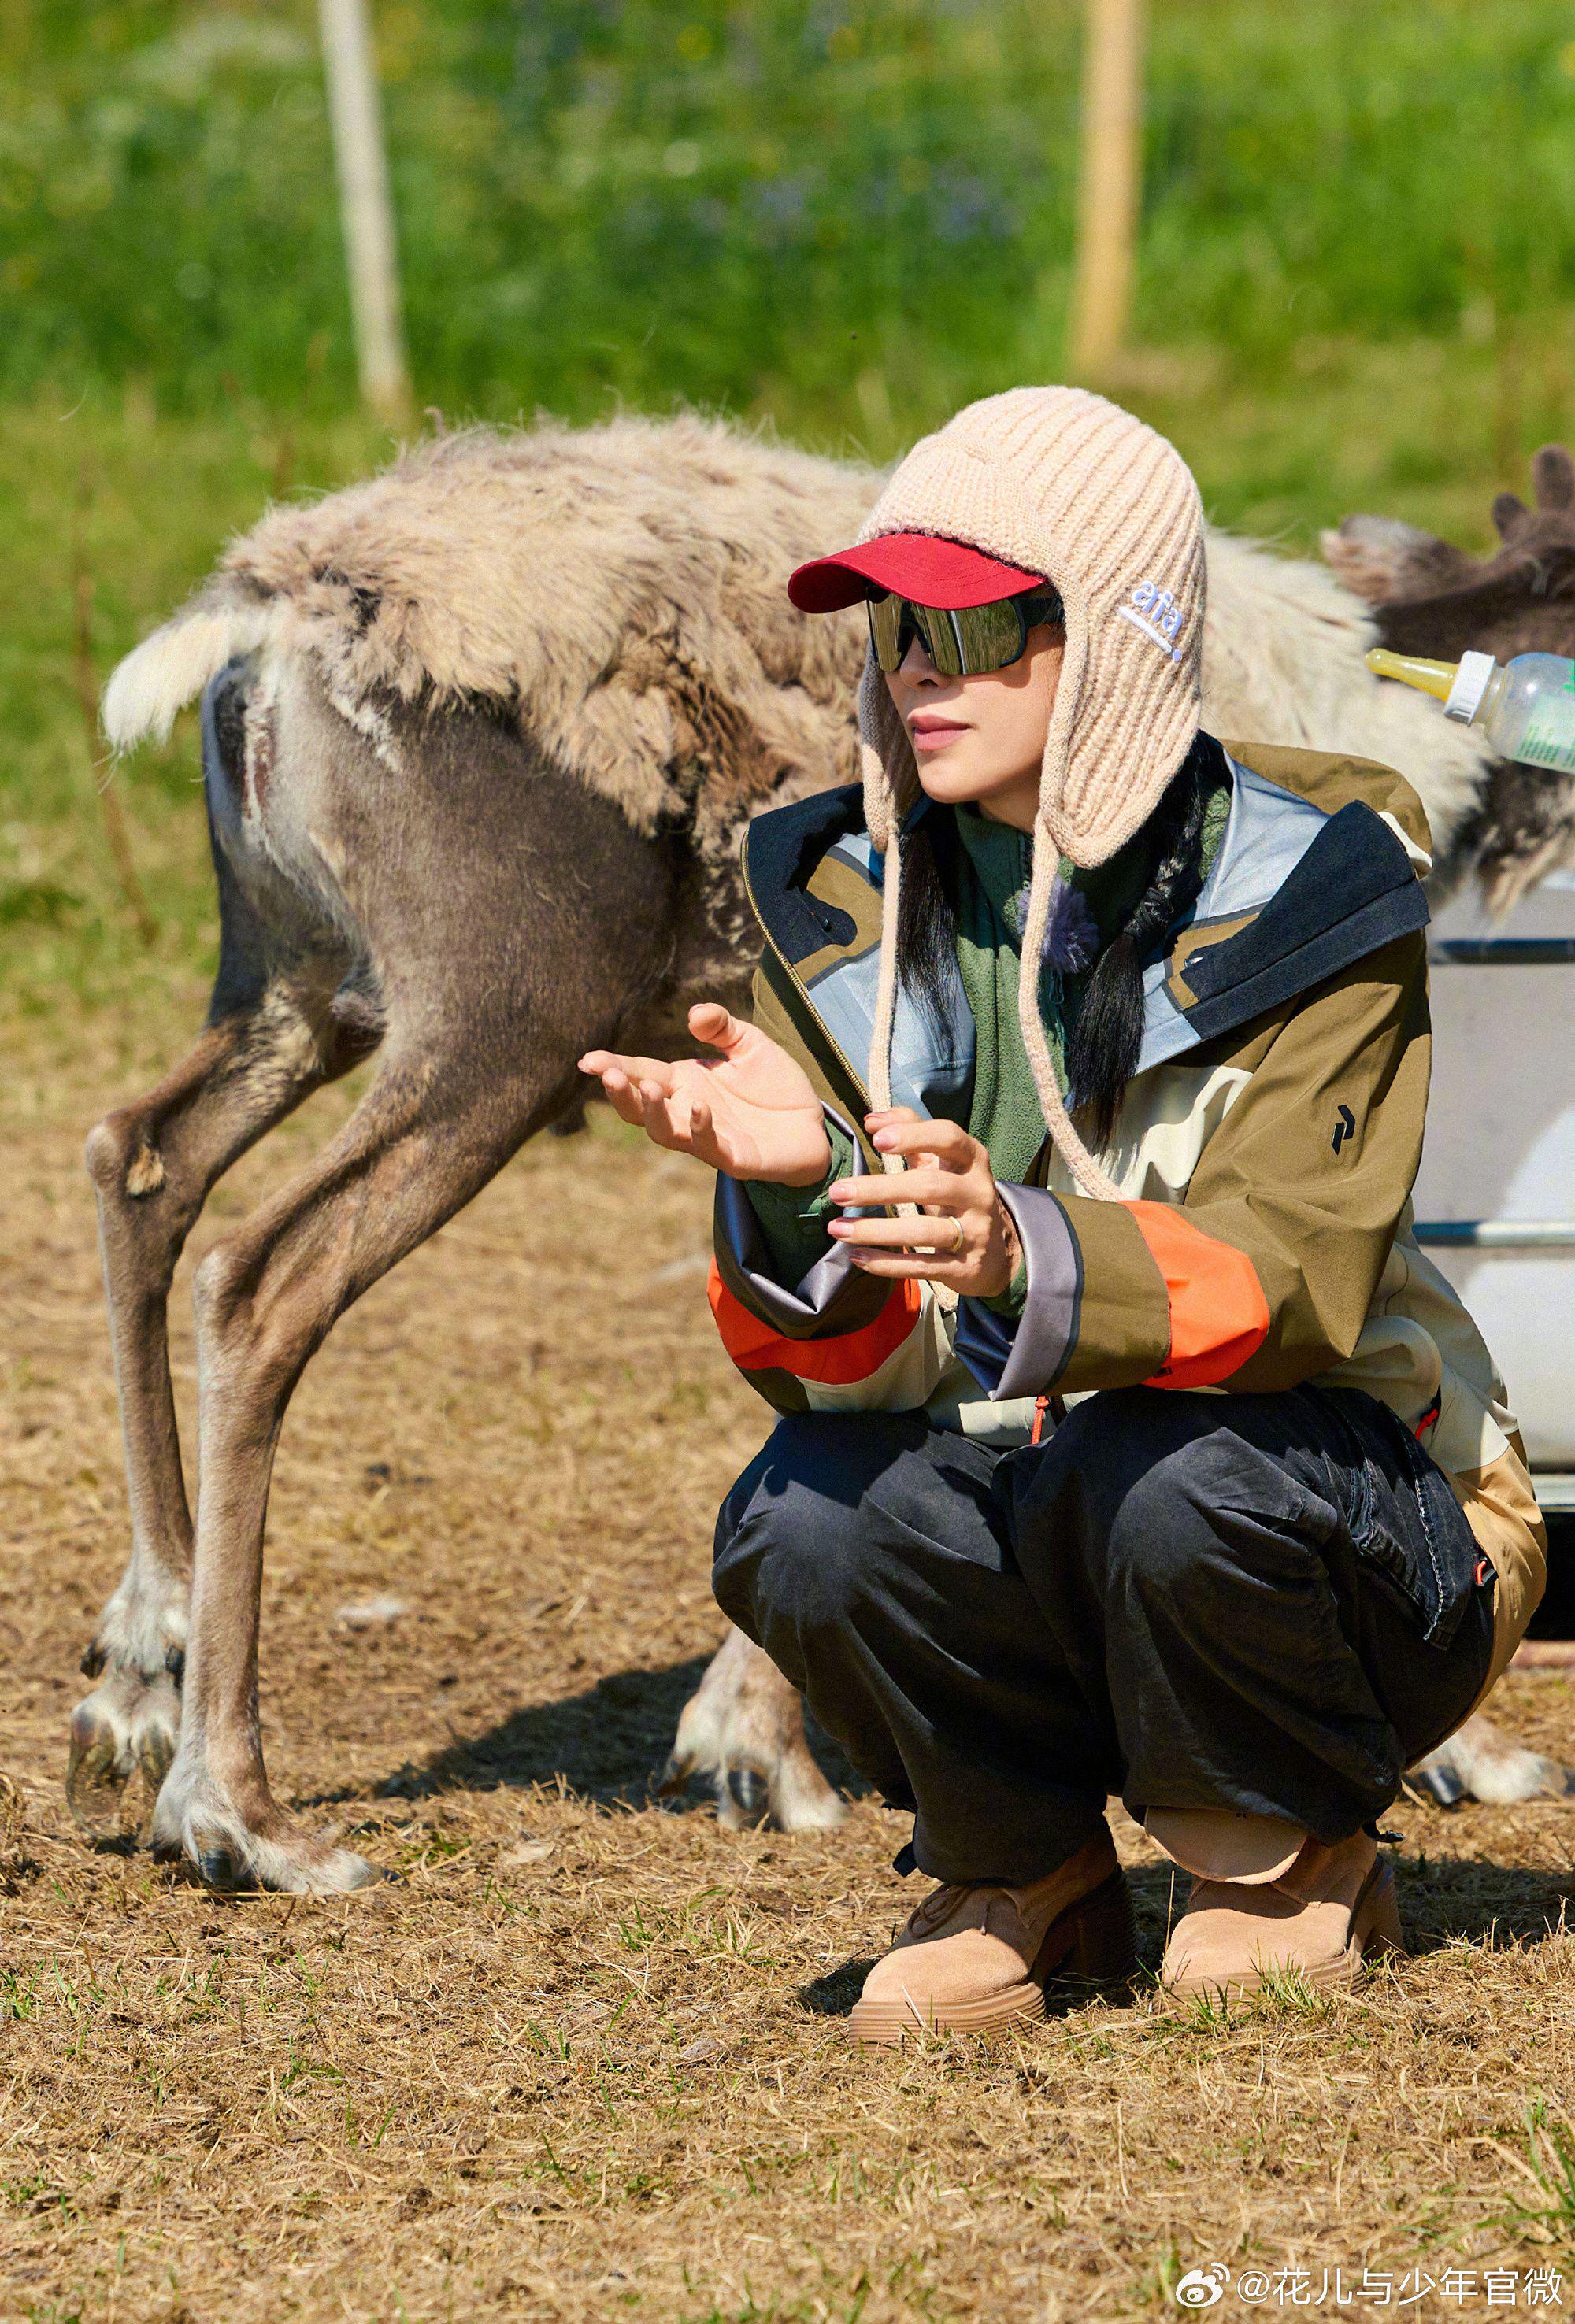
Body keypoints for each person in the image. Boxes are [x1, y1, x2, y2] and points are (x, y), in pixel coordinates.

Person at [580, 386, 1546, 2044]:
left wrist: (1020, 1247)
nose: (915, 671)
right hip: (1042, 1485)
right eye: (892, 628)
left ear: (1113, 633)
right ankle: (1016, 1871)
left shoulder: (1317, 883)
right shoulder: (838, 906)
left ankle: (1286, 1855)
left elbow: (1291, 1293)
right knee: (799, 1513)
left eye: (966, 621)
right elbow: (842, 1395)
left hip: (1362, 1506)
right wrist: (809, 1188)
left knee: (1165, 1468)